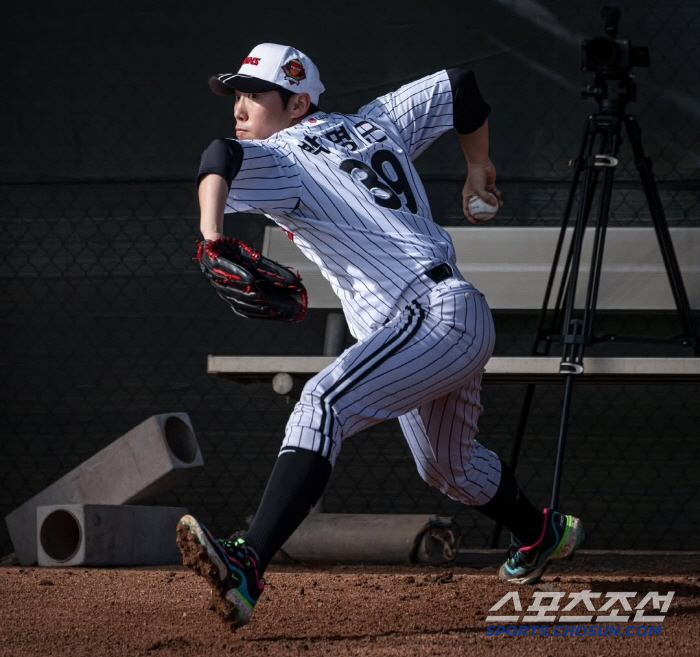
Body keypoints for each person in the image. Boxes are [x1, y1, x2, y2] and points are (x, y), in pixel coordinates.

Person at [176, 42, 585, 628]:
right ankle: (543, 531)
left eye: (254, 95)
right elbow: (462, 87)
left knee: (321, 404)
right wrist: (477, 165)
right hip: (445, 321)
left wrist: (211, 238)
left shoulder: (285, 157)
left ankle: (248, 564)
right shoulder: (375, 122)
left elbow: (219, 156)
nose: (240, 107)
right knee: (449, 467)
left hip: (430, 316)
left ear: (296, 105)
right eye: (236, 94)